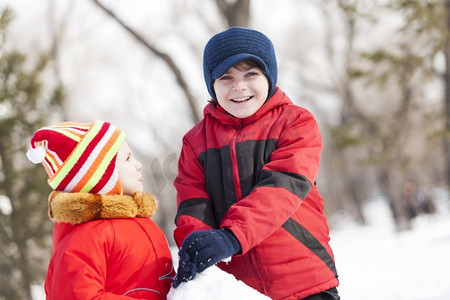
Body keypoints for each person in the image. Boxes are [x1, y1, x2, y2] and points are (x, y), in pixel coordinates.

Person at [172, 27, 340, 300]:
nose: (239, 86)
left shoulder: (295, 122)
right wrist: (198, 246)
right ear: (211, 84)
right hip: (240, 288)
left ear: (269, 76)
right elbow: (192, 204)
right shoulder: (195, 142)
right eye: (226, 77)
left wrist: (230, 236)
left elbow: (282, 188)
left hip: (303, 279)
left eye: (251, 74)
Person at [26, 120, 174, 299]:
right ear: (102, 179)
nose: (138, 164)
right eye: (128, 159)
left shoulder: (139, 222)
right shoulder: (87, 237)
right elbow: (78, 295)